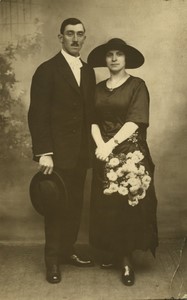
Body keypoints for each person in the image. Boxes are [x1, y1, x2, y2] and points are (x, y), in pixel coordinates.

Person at [28, 18, 96, 284]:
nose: (75, 39)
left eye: (80, 34)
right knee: (56, 206)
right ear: (60, 38)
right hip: (56, 154)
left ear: (84, 37)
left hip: (81, 153)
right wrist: (44, 152)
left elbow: (89, 112)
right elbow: (37, 115)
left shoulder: (88, 71)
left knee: (75, 205)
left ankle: (67, 252)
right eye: (70, 34)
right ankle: (52, 260)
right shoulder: (47, 70)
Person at [87, 38, 158, 286]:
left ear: (126, 59)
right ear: (105, 60)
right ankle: (116, 253)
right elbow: (92, 121)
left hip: (130, 152)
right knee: (107, 207)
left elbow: (135, 121)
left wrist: (110, 145)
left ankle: (127, 263)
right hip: (104, 154)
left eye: (119, 54)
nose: (114, 58)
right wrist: (100, 147)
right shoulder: (96, 89)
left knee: (127, 208)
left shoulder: (137, 86)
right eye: (110, 55)